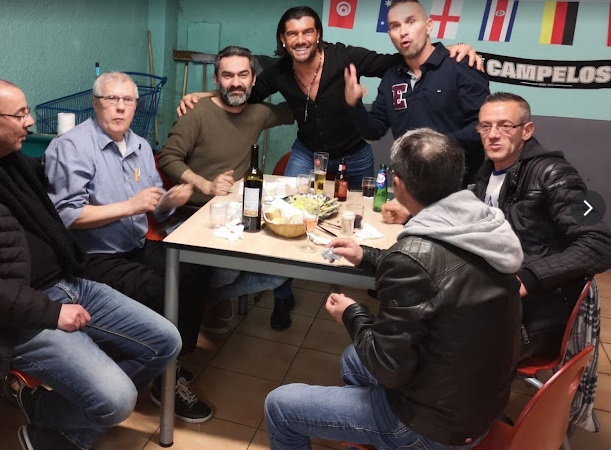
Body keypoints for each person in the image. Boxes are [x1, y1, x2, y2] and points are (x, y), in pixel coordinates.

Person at [264, 128, 524, 450]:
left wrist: (351, 313)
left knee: (280, 405)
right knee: (352, 359)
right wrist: (365, 256)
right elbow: (439, 269)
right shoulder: (484, 226)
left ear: (398, 185)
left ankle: (394, 436)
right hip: (475, 405)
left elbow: (388, 369)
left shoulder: (414, 255)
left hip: (431, 427)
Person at [0, 78, 182, 450]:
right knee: (117, 401)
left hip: (70, 284)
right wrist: (52, 312)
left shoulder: (12, 164)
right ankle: (55, 420)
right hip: (23, 314)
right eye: (20, 115)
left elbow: (58, 185)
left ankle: (50, 419)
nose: (31, 121)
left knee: (166, 341)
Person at [43, 72, 212, 423]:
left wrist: (169, 201)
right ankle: (165, 377)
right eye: (112, 99)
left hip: (133, 245)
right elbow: (65, 216)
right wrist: (129, 206)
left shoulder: (139, 145)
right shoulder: (71, 146)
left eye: (128, 100)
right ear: (96, 104)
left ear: (137, 106)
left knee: (196, 268)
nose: (120, 107)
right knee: (159, 288)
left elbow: (153, 206)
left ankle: (174, 362)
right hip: (91, 258)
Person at [178, 6, 482, 190]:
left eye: (307, 32)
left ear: (318, 35)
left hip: (355, 155)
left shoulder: (345, 57)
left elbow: (394, 61)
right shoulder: (279, 72)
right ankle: (286, 278)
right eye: (292, 34)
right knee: (289, 208)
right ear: (283, 39)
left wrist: (448, 51)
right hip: (306, 154)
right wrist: (207, 95)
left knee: (360, 213)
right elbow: (246, 94)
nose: (300, 40)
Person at [158, 46, 296, 330]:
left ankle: (204, 300)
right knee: (228, 268)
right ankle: (195, 301)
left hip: (235, 215)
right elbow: (168, 157)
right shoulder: (196, 112)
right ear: (216, 79)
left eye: (243, 75)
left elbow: (296, 107)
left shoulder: (259, 113)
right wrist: (206, 185)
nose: (235, 82)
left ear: (254, 79)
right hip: (191, 214)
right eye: (227, 76)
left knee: (279, 271)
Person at [470, 92, 611, 362]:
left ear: (527, 130)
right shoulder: (485, 173)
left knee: (451, 345)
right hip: (496, 296)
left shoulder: (555, 174)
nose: (493, 134)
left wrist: (528, 278)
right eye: (485, 126)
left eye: (505, 126)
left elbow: (600, 242)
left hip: (540, 309)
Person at [344, 0, 489, 186]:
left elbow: (483, 125)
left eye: (410, 22)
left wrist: (431, 148)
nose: (403, 31)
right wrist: (354, 104)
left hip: (457, 184)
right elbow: (374, 130)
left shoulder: (461, 65)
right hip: (412, 185)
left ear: (428, 26)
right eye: (395, 26)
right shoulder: (391, 77)